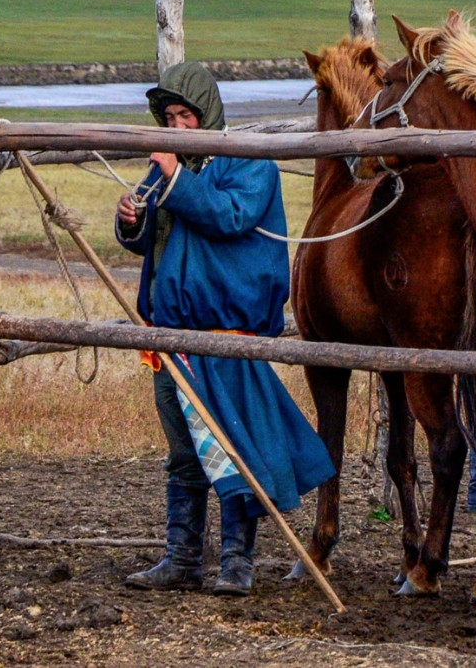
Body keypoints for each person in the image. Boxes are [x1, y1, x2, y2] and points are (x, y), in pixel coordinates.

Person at [115, 61, 334, 597]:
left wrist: (174, 180)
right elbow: (152, 239)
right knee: (185, 454)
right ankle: (182, 557)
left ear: (207, 113)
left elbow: (227, 217)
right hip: (170, 338)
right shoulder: (166, 171)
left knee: (235, 446)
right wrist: (130, 222)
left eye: (186, 115)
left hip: (227, 340)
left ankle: (238, 562)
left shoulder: (249, 164)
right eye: (169, 116)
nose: (177, 125)